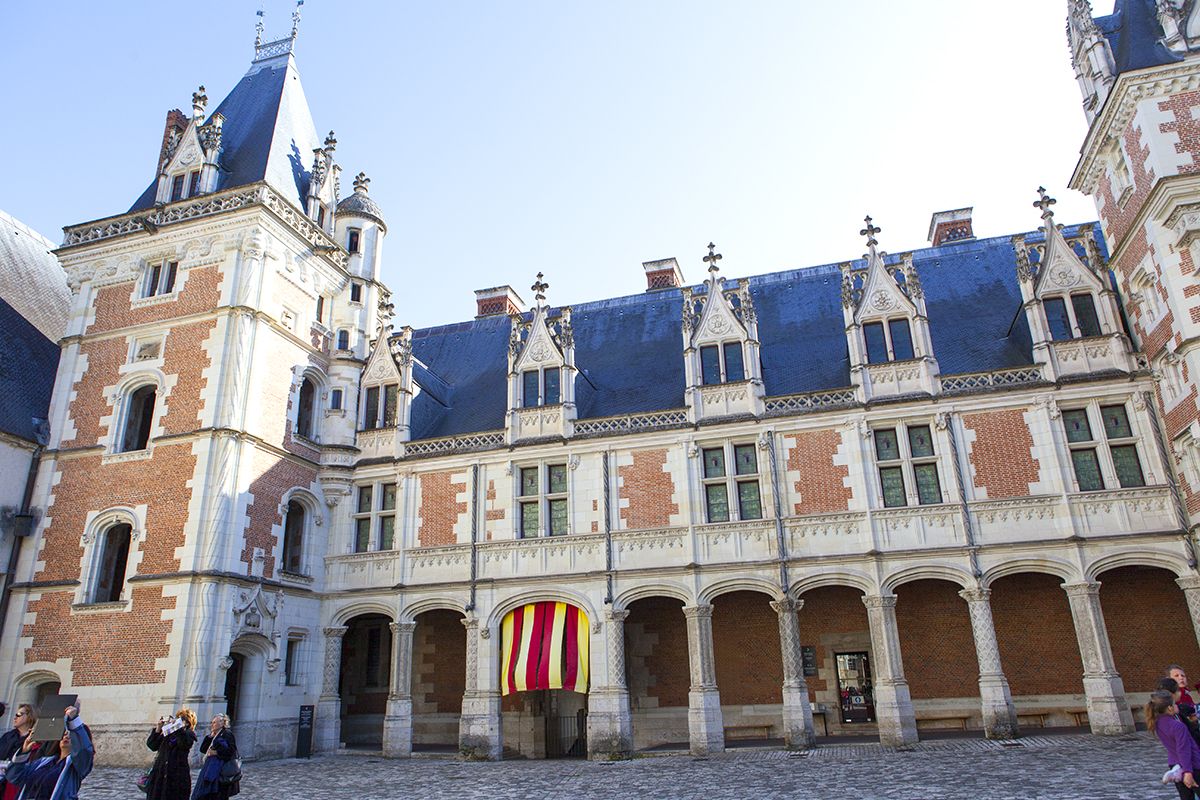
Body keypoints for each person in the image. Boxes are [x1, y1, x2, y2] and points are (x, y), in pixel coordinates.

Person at [4, 705, 93, 800]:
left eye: (71, 735)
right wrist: (24, 751)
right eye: (65, 733)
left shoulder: (76, 767)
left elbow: (84, 750)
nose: (66, 736)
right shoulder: (44, 762)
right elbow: (15, 777)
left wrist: (74, 719)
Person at [1149, 689, 1200, 800]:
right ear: (1169, 708)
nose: (1177, 705)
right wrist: (1188, 772)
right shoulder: (1178, 726)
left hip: (1175, 763)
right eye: (1174, 704)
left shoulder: (1158, 723)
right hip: (1192, 766)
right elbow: (1184, 749)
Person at [146, 708, 197, 800]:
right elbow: (152, 745)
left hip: (177, 776)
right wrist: (158, 728)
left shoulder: (189, 734)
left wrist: (178, 728)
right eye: (177, 719)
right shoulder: (168, 733)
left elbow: (184, 743)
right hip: (160, 774)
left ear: (187, 723)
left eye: (181, 720)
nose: (177, 721)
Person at [190, 714, 239, 800]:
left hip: (220, 770)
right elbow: (203, 749)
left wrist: (216, 752)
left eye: (214, 722)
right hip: (210, 768)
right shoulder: (214, 735)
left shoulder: (227, 734)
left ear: (222, 723)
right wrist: (210, 737)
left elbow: (231, 751)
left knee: (218, 795)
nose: (212, 725)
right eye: (212, 722)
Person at [0, 705, 37, 800]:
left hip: (19, 781)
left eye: (19, 714)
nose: (15, 717)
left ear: (29, 716)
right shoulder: (8, 736)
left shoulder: (35, 739)